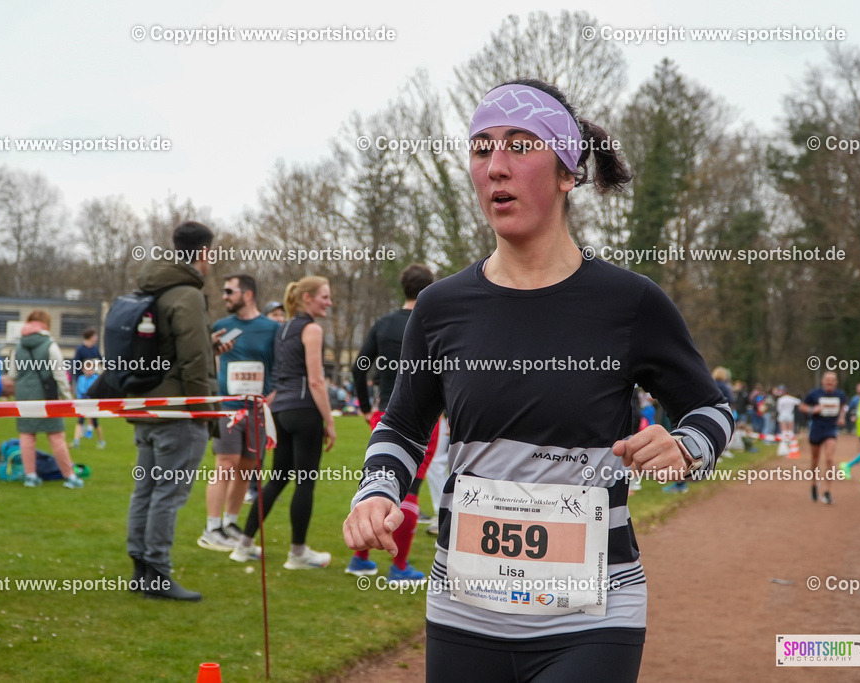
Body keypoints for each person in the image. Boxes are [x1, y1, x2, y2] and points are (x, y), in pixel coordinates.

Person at [342, 79, 733, 682]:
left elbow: (713, 409)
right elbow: (402, 426)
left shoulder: (629, 303)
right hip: (464, 613)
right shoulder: (440, 308)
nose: (496, 166)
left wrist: (685, 445)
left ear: (567, 171)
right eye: (481, 148)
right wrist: (376, 491)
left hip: (594, 615)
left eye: (520, 145)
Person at [126, 222, 219, 601]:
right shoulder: (187, 295)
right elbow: (194, 359)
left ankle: (140, 570)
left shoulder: (152, 287)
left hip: (147, 406)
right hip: (179, 411)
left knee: (145, 490)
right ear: (202, 253)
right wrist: (204, 411)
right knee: (168, 493)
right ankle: (158, 573)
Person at [232, 276, 336, 569]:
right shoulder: (311, 329)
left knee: (277, 478)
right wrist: (329, 421)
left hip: (279, 412)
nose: (329, 302)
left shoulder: (283, 329)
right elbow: (316, 380)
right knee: (305, 481)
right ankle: (298, 553)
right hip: (304, 411)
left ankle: (244, 544)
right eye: (324, 297)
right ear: (307, 298)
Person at [346, 263, 436, 580]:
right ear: (430, 287)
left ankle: (360, 558)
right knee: (410, 490)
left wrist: (366, 405)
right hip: (423, 419)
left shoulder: (384, 324)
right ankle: (398, 567)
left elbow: (359, 366)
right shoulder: (432, 320)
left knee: (375, 485)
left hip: (385, 415)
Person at [197, 274, 279, 552]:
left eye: (229, 291)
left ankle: (230, 523)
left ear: (248, 294)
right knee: (225, 463)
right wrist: (212, 347)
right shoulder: (220, 326)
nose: (224, 296)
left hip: (257, 409)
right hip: (228, 408)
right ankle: (211, 527)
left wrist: (273, 394)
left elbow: (279, 366)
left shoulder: (271, 328)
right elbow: (203, 361)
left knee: (247, 467)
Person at [8, 310, 84, 489]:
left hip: (24, 397)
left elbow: (12, 374)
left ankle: (31, 476)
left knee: (27, 436)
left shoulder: (18, 347)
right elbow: (60, 375)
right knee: (56, 436)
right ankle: (69, 476)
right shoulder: (50, 345)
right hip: (47, 396)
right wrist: (67, 397)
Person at [799, 371, 848, 505]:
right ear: (823, 381)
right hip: (816, 429)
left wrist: (842, 417)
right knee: (815, 460)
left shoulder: (840, 395)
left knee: (829, 459)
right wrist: (811, 410)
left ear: (836, 382)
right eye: (827, 380)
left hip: (831, 429)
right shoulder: (814, 394)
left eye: (832, 381)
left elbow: (843, 406)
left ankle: (827, 492)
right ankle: (814, 484)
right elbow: (802, 406)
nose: (829, 383)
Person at [71, 359, 105, 448]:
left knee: (95, 423)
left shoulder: (96, 378)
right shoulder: (81, 378)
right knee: (80, 422)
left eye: (90, 369)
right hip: (82, 402)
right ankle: (76, 441)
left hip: (92, 403)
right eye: (87, 369)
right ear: (83, 369)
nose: (88, 371)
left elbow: (97, 391)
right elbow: (78, 390)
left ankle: (101, 441)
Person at [776, 388, 802, 457]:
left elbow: (778, 408)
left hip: (782, 414)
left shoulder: (781, 399)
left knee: (783, 430)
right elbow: (799, 402)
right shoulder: (791, 398)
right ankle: (791, 443)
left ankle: (784, 444)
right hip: (789, 414)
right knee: (790, 430)